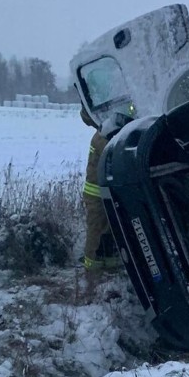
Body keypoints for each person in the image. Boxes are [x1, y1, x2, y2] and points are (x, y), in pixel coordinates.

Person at [79, 106, 118, 271]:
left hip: (106, 192)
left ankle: (110, 263)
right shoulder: (101, 138)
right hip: (95, 195)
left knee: (109, 230)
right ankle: (91, 268)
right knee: (96, 231)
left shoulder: (106, 135)